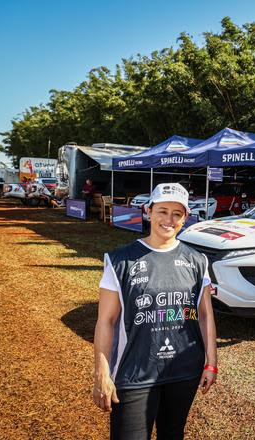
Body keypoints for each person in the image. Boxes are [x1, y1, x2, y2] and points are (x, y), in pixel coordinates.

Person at [93, 183, 218, 440]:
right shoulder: (120, 261)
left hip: (183, 370)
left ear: (185, 217)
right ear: (148, 211)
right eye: (162, 211)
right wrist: (101, 373)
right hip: (134, 371)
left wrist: (211, 362)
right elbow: (106, 321)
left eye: (177, 213)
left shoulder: (197, 260)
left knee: (172, 434)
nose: (168, 220)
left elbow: (205, 314)